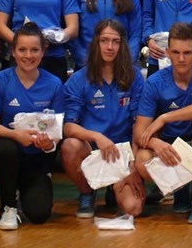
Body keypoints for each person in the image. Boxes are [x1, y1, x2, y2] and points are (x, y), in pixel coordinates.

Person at [133, 21, 192, 223]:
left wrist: (165, 117)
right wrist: (155, 143)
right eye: (175, 52)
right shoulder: (155, 82)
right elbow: (140, 131)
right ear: (167, 52)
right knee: (141, 160)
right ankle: (180, 188)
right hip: (170, 146)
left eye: (187, 53)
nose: (181, 59)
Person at [0, 22, 66, 229]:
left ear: (43, 52)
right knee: (5, 148)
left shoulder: (54, 84)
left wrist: (48, 144)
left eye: (34, 50)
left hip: (36, 156)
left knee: (39, 214)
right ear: (13, 51)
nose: (28, 55)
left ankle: (26, 186)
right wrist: (15, 135)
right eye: (22, 50)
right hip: (6, 153)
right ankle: (8, 207)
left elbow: (57, 131)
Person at [60, 19, 146, 219]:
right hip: (93, 151)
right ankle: (87, 192)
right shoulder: (79, 79)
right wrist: (96, 136)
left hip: (123, 153)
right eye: (104, 40)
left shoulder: (134, 77)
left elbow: (139, 123)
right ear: (96, 43)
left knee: (133, 208)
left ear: (122, 45)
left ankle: (113, 188)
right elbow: (69, 127)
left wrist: (133, 164)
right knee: (70, 146)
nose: (109, 47)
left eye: (115, 42)